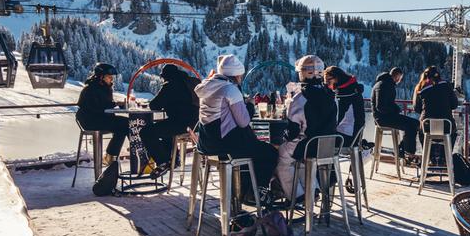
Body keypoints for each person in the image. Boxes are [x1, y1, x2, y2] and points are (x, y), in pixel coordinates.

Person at [194, 55, 277, 197]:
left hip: (206, 143)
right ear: (237, 75)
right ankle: (257, 193)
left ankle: (242, 194)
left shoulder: (208, 86)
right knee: (269, 152)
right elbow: (243, 122)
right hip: (225, 145)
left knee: (252, 150)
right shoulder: (230, 90)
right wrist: (250, 105)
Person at [276, 55, 338, 201]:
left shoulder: (299, 98)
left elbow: (293, 131)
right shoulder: (331, 95)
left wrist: (282, 138)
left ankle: (297, 195)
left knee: (283, 158)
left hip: (307, 146)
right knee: (300, 160)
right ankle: (312, 190)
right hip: (327, 147)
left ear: (303, 73)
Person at [139, 64, 199, 174]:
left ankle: (163, 162)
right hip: (197, 124)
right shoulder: (192, 81)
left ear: (166, 76)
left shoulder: (170, 86)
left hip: (181, 124)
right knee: (165, 129)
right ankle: (173, 160)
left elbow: (154, 105)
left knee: (146, 132)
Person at [76, 63, 129, 166]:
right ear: (101, 77)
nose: (111, 79)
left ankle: (110, 157)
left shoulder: (104, 88)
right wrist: (114, 104)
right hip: (90, 121)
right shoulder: (91, 89)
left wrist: (114, 105)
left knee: (125, 125)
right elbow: (97, 107)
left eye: (112, 77)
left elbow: (104, 106)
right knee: (125, 124)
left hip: (100, 119)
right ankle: (112, 156)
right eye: (109, 77)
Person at [371, 67, 418, 163]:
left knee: (413, 123)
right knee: (412, 124)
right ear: (397, 76)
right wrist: (395, 110)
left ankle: (402, 149)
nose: (400, 80)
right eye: (400, 78)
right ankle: (407, 153)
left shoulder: (384, 83)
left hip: (384, 116)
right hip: (383, 118)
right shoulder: (384, 85)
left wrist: (396, 108)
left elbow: (387, 103)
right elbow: (381, 106)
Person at [412, 65, 460, 155]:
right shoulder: (447, 85)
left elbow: (416, 108)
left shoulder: (420, 88)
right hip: (446, 126)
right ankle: (446, 157)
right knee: (453, 133)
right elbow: (454, 105)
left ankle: (428, 157)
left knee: (422, 133)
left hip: (427, 126)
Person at [324, 65, 365, 145]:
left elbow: (336, 119)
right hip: (354, 135)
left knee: (317, 139)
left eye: (328, 81)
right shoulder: (351, 89)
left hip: (347, 137)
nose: (327, 85)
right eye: (325, 82)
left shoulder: (345, 94)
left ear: (337, 78)